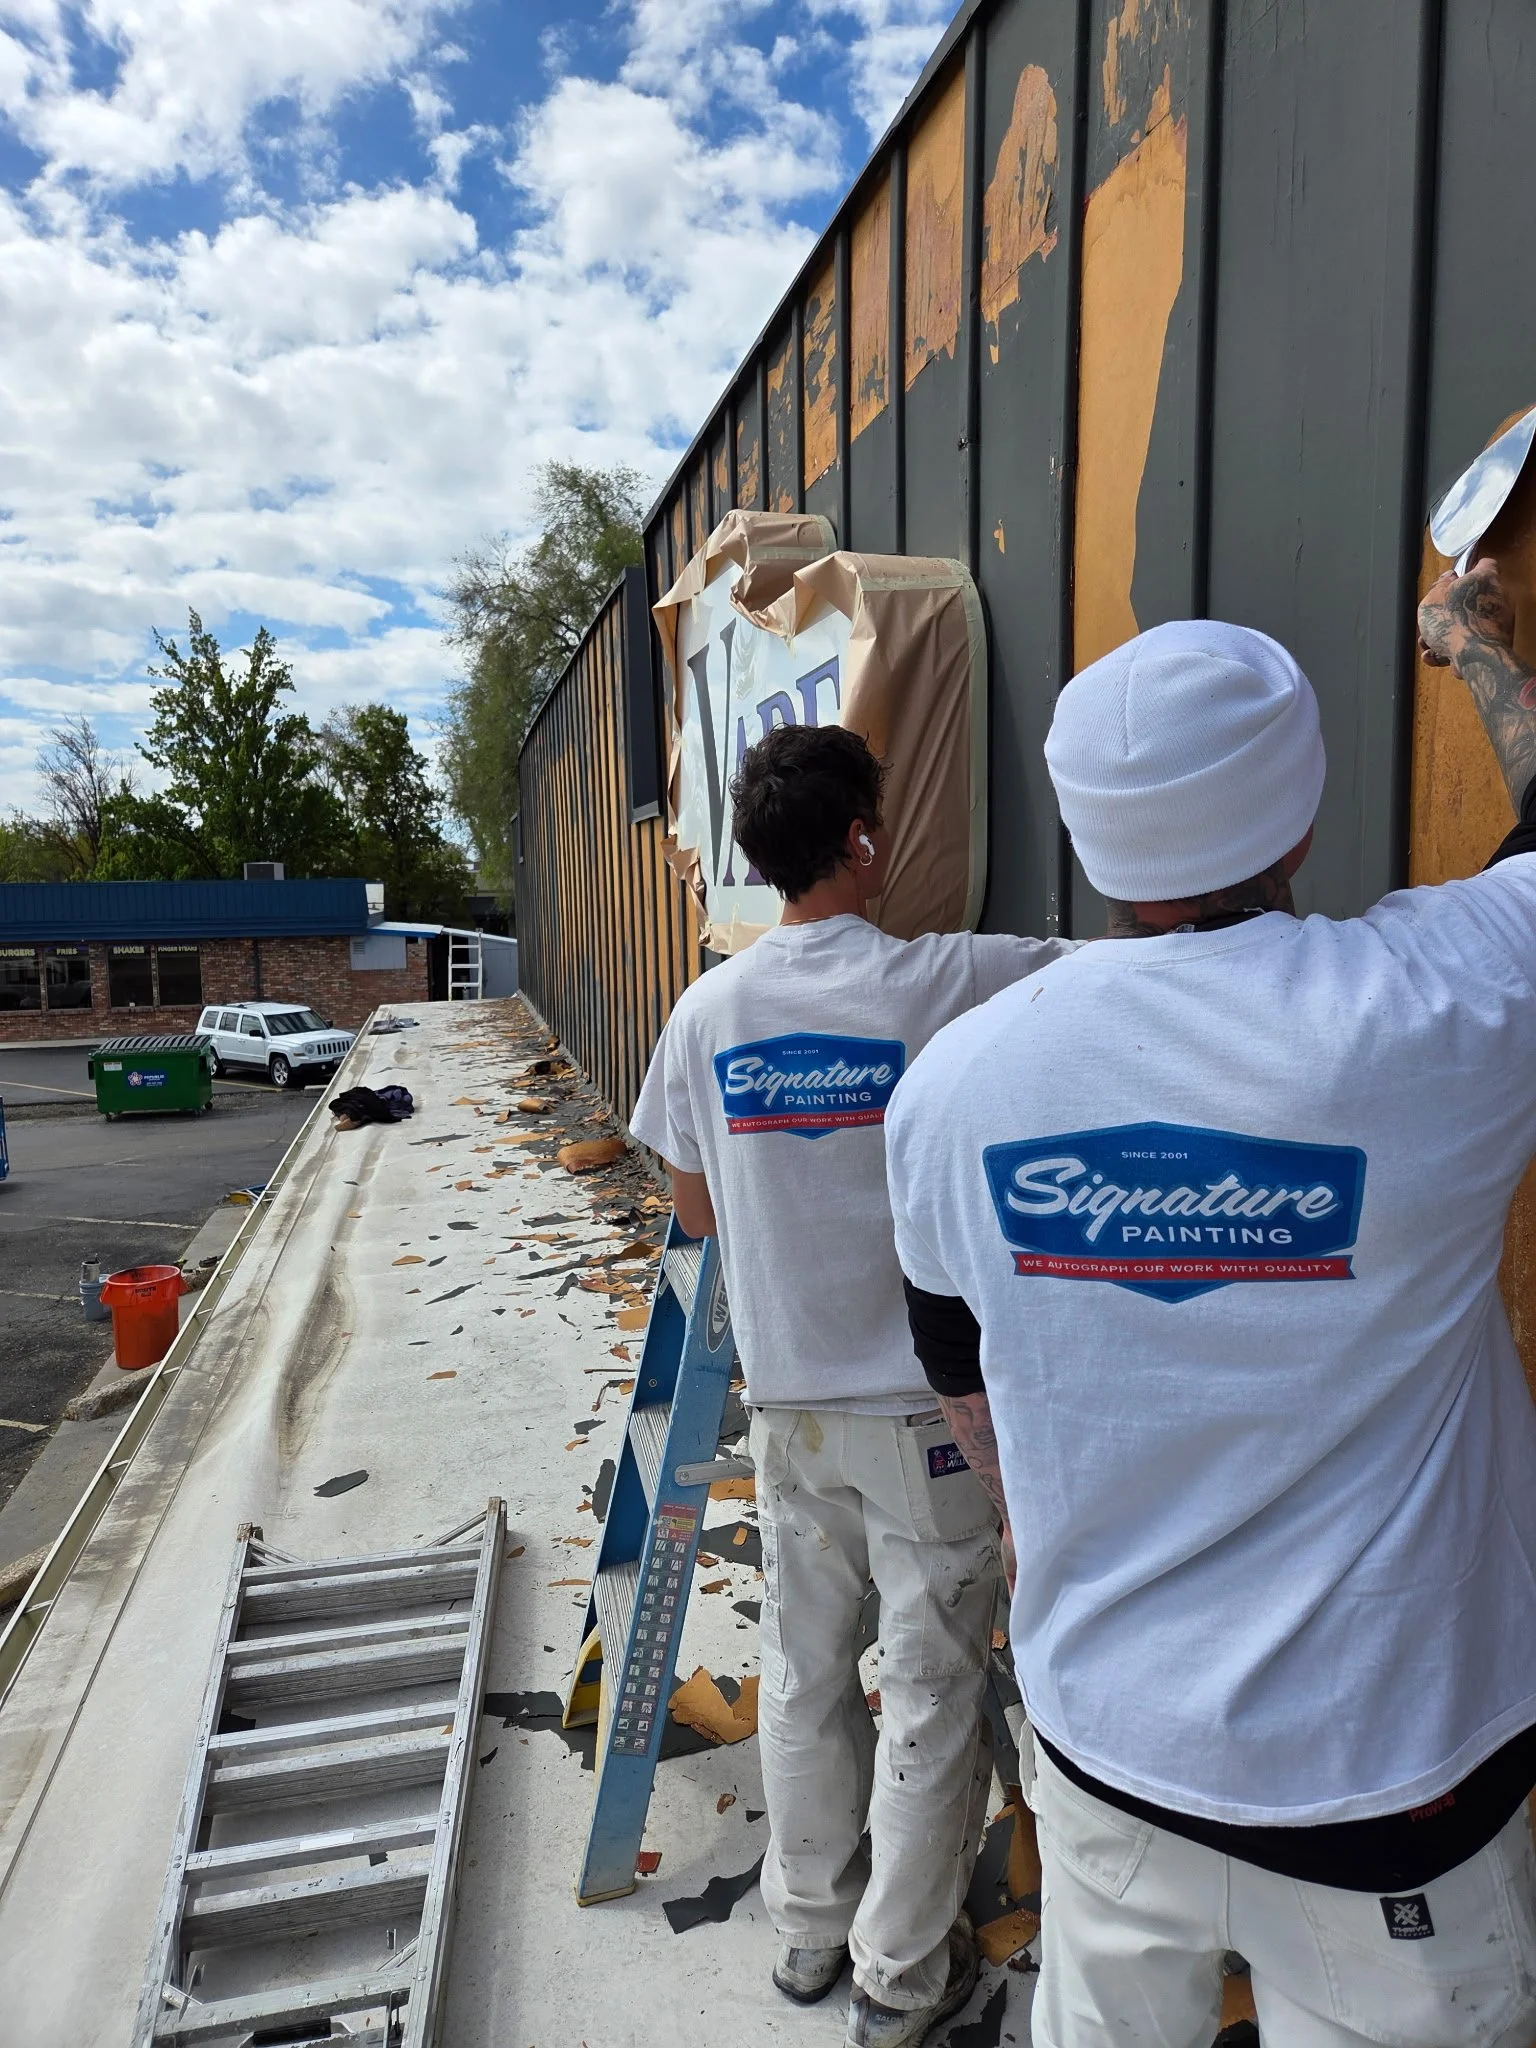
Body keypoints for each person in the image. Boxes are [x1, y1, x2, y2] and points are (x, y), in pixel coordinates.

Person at [885, 561, 1536, 2047]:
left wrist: (1033, 1515)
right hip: (1390, 1790)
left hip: (1109, 1751)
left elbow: (953, 1364)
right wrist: (1474, 649)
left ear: (1092, 840)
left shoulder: (956, 1088)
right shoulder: (1438, 1009)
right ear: (1300, 815)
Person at [629, 723, 1073, 2048]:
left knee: (806, 1668)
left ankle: (810, 1934)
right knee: (929, 1689)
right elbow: (1110, 980)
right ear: (864, 840)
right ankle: (898, 1974)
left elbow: (692, 1209)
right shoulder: (932, 982)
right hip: (922, 1424)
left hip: (791, 1411)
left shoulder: (708, 1013)